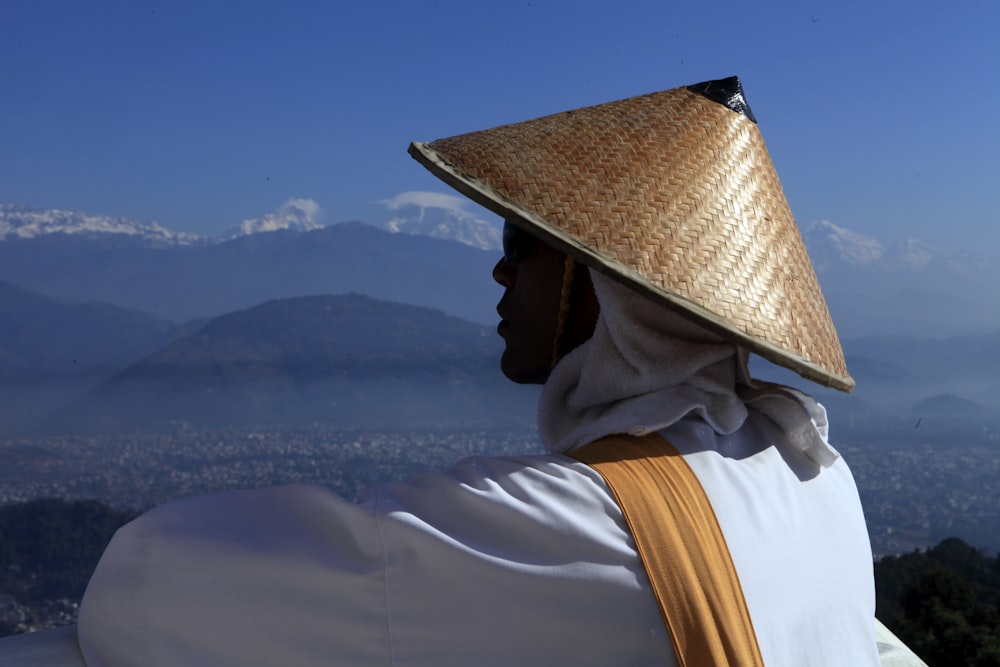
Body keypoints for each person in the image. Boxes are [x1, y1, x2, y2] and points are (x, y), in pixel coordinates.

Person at [0, 76, 926, 666]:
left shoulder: (564, 527)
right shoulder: (809, 472)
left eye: (521, 244)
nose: (496, 270)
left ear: (604, 287)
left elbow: (148, 585)